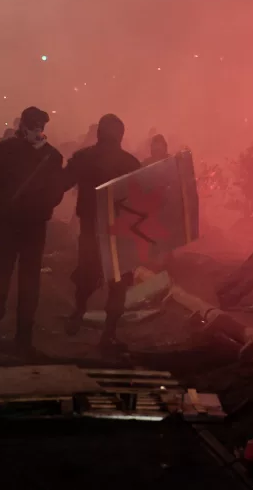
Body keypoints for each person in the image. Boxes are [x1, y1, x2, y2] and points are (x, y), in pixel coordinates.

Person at [0, 107, 64, 353]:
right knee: (24, 278)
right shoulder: (51, 156)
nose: (36, 130)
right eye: (35, 125)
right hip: (29, 226)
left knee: (1, 274)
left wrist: (0, 200)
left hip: (11, 224)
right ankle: (21, 331)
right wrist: (37, 206)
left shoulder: (4, 150)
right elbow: (56, 194)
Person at [62, 114, 141, 352]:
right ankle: (108, 333)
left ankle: (79, 311)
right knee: (118, 284)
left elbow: (62, 182)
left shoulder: (83, 158)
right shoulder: (130, 163)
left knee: (88, 273)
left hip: (94, 229)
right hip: (119, 232)